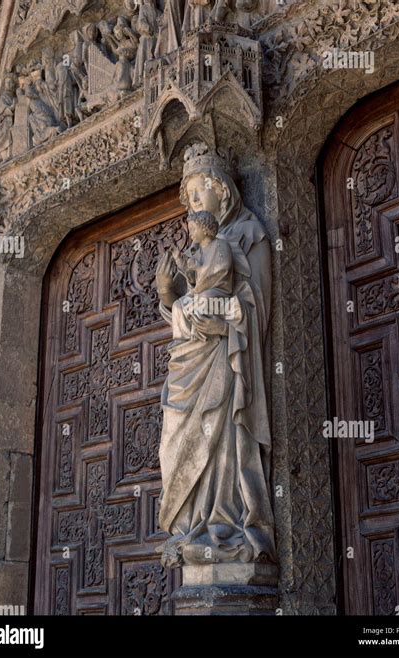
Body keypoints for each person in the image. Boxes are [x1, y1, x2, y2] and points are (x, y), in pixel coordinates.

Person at [156, 143, 276, 567]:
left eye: (197, 193)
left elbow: (257, 306)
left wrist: (223, 318)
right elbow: (190, 307)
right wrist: (169, 294)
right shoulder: (203, 249)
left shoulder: (248, 234)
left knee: (220, 432)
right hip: (193, 360)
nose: (191, 206)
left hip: (229, 358)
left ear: (223, 191)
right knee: (178, 436)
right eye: (188, 198)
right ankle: (191, 525)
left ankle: (223, 521)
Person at [170, 210, 234, 342]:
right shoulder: (198, 253)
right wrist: (180, 262)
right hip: (199, 292)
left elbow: (223, 268)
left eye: (193, 229)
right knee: (177, 305)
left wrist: (199, 268)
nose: (191, 234)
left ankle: (199, 338)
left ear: (204, 229)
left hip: (218, 291)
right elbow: (193, 278)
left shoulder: (220, 245)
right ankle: (183, 341)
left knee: (202, 301)